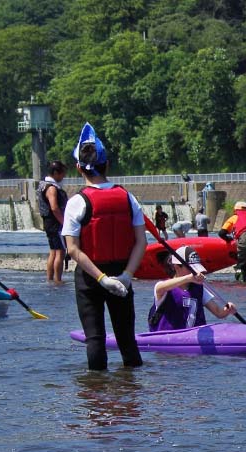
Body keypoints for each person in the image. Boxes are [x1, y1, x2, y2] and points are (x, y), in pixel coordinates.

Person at [62, 122, 147, 371]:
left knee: (95, 339)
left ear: (78, 168)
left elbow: (73, 250)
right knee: (127, 340)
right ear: (107, 164)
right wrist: (128, 276)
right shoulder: (128, 197)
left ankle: (96, 401)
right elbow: (141, 241)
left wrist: (101, 279)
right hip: (123, 274)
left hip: (90, 279)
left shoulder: (76, 202)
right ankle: (132, 399)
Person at [148, 245, 237, 331]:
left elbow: (218, 313)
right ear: (176, 266)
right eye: (190, 269)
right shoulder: (165, 288)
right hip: (169, 340)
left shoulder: (199, 288)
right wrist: (188, 278)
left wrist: (227, 311)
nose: (194, 272)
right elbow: (159, 288)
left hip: (193, 340)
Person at [38, 160, 68, 284]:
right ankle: (57, 280)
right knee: (60, 252)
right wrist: (64, 223)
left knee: (53, 251)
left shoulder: (42, 185)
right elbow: (54, 207)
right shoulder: (51, 188)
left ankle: (50, 280)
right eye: (62, 174)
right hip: (56, 223)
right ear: (55, 173)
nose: (63, 176)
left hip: (48, 222)